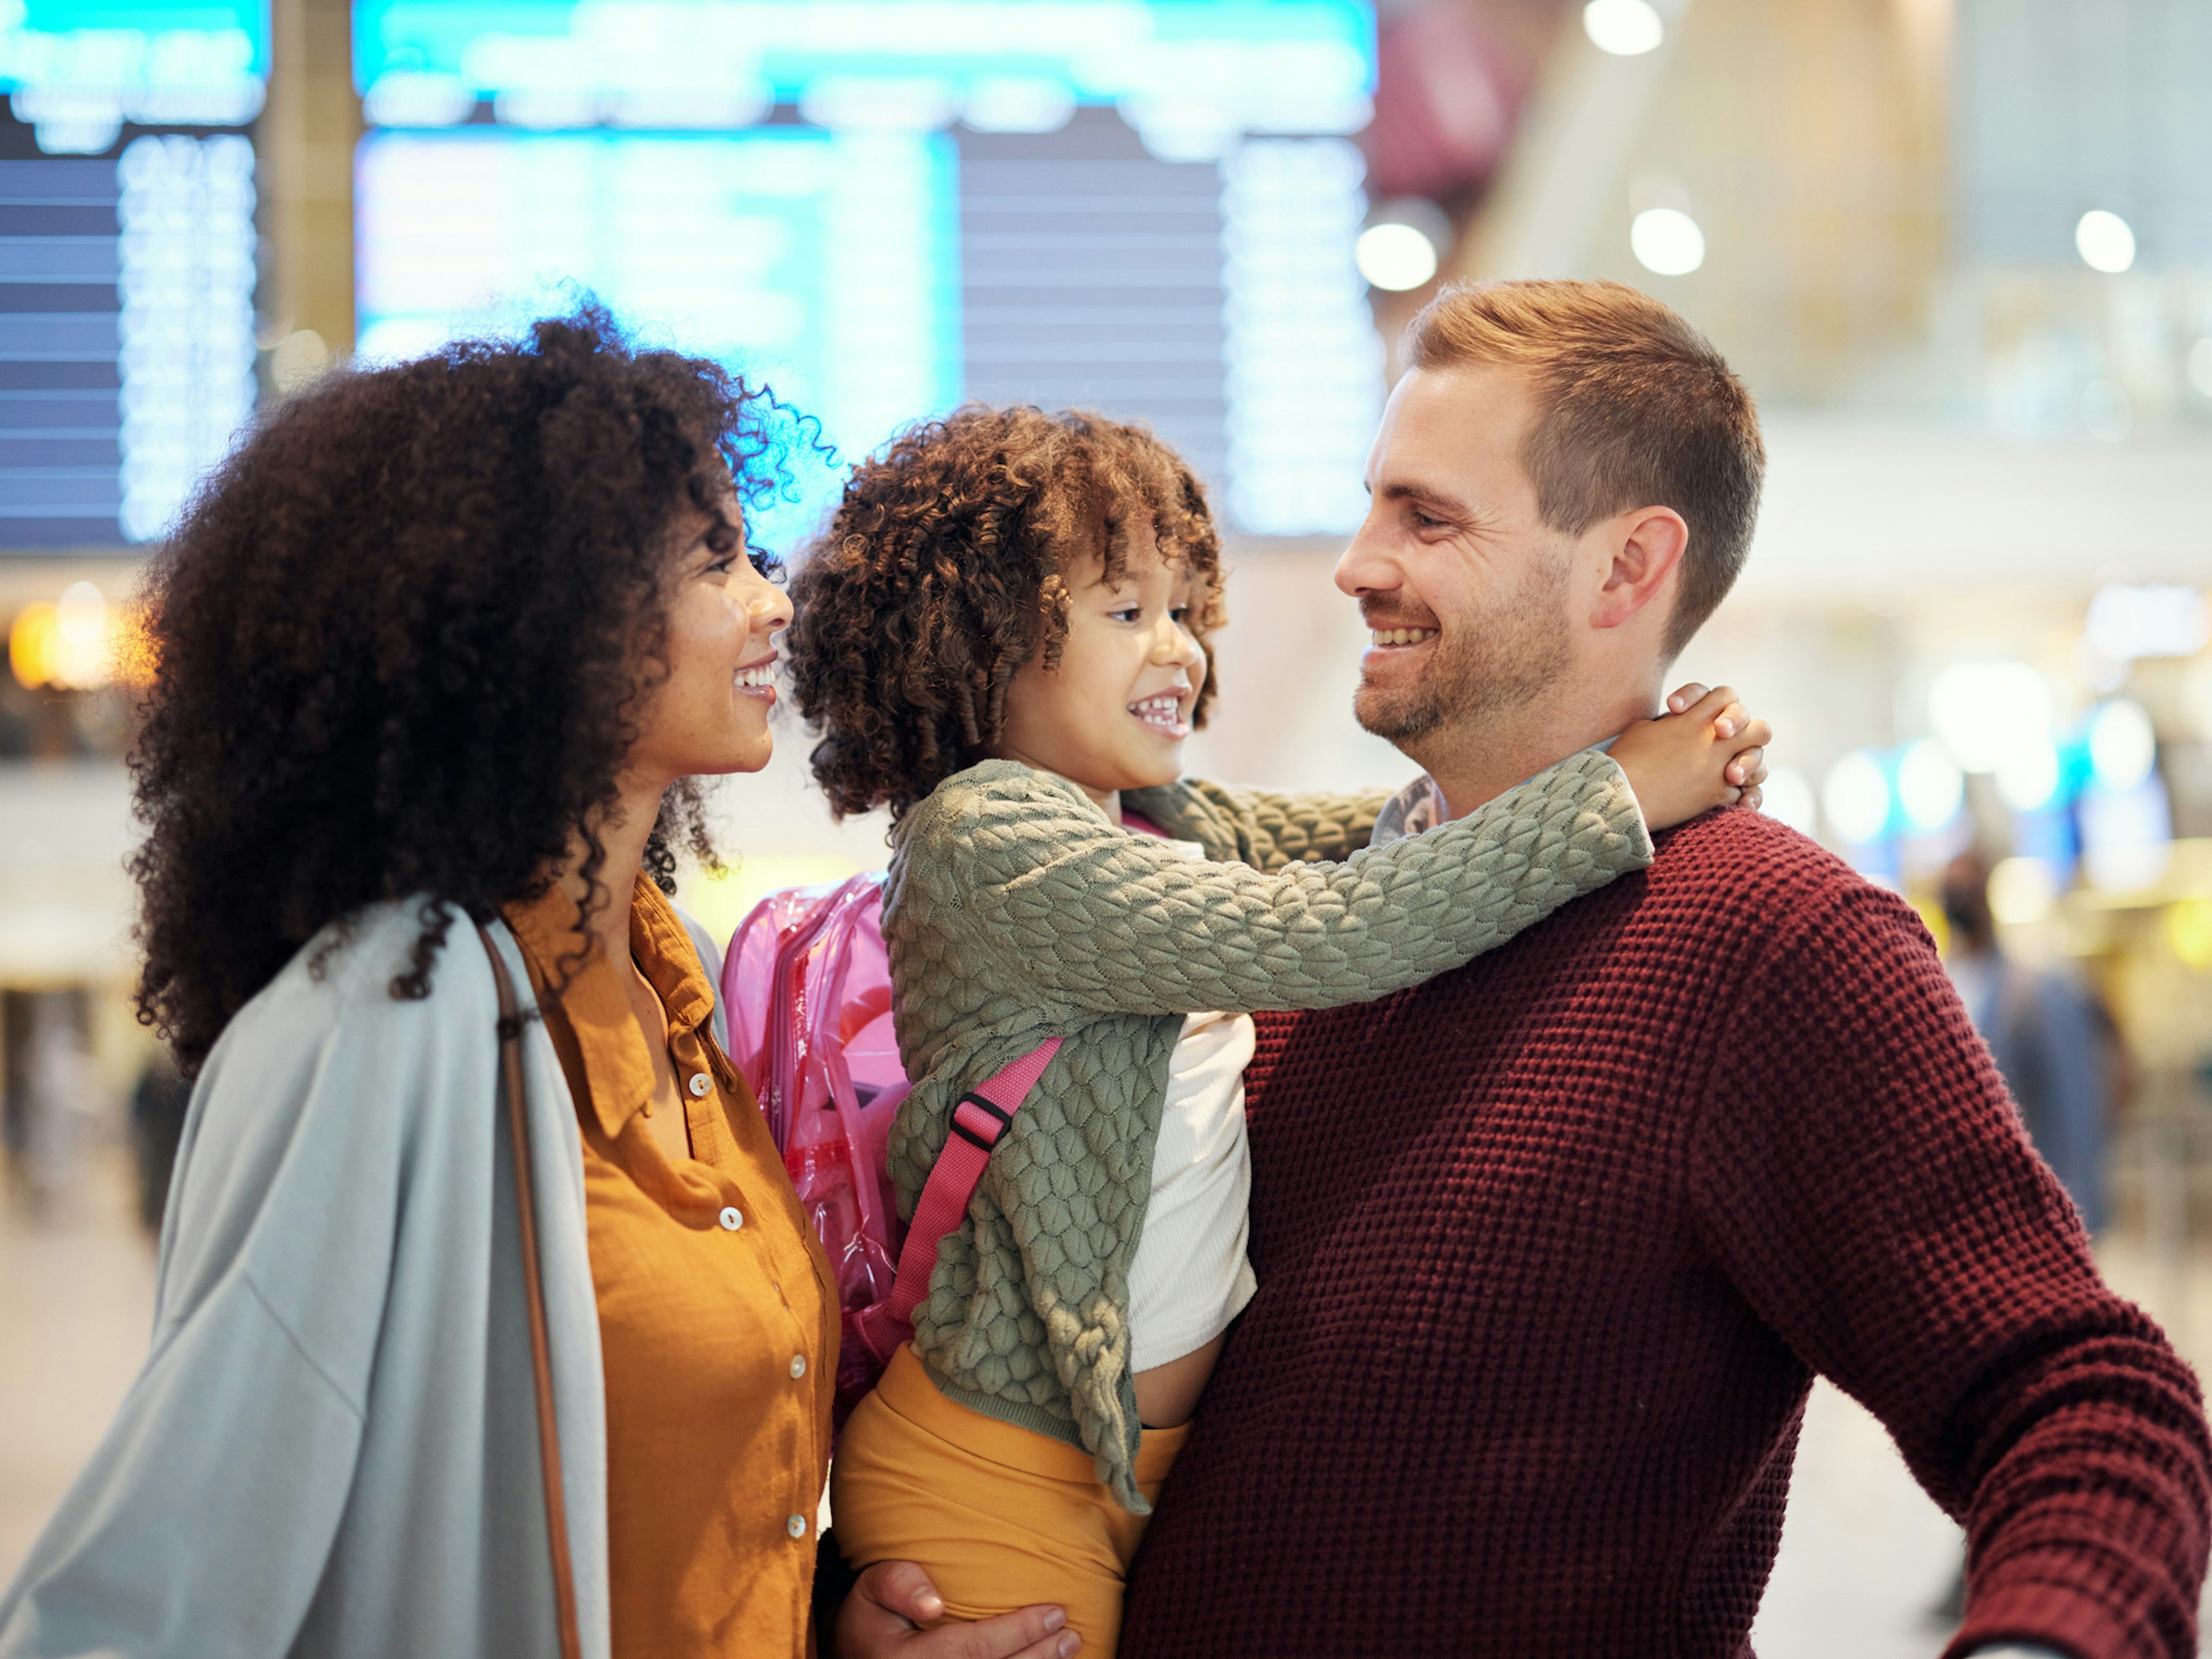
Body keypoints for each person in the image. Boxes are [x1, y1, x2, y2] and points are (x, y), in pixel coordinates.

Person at [1086, 280, 2212, 1657]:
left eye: (1425, 518)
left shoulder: (1767, 942)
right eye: (1373, 500)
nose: (1355, 562)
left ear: (1626, 568)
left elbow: (2083, 1400)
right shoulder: (1295, 931)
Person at [0, 309, 1077, 1659]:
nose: (773, 598)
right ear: (551, 619)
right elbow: (161, 1581)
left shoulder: (680, 1000)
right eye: (715, 558)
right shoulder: (387, 1015)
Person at [782, 405, 1771, 1657]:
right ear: (987, 637)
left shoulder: (1144, 815)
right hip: (997, 1477)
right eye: (1125, 612)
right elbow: (1337, 928)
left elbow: (1400, 830)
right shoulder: (989, 842)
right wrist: (1619, 794)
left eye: (1190, 611)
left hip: (1124, 1471)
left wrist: (1614, 765)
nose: (1181, 651)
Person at [1941, 851, 2114, 1233]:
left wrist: (2076, 1210)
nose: (1957, 897)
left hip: (2033, 1206)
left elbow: (2073, 1105)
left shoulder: (2035, 994)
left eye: (1966, 887)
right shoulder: (1936, 983)